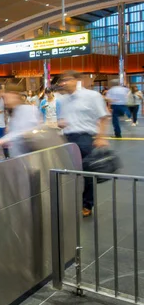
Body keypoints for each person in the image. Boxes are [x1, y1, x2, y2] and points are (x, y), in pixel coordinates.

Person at [57, 71, 109, 217]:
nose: (64, 83)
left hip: (85, 138)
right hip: (67, 138)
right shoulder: (62, 100)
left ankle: (87, 204)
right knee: (69, 173)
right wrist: (61, 123)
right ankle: (71, 201)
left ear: (77, 80)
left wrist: (100, 137)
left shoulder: (92, 96)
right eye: (62, 80)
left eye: (67, 79)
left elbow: (104, 117)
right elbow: (62, 119)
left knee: (87, 173)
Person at [0, 85, 40, 157]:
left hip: (28, 157)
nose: (5, 100)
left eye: (7, 97)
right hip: (17, 157)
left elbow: (25, 132)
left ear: (15, 95)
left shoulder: (28, 110)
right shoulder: (14, 112)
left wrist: (1, 141)